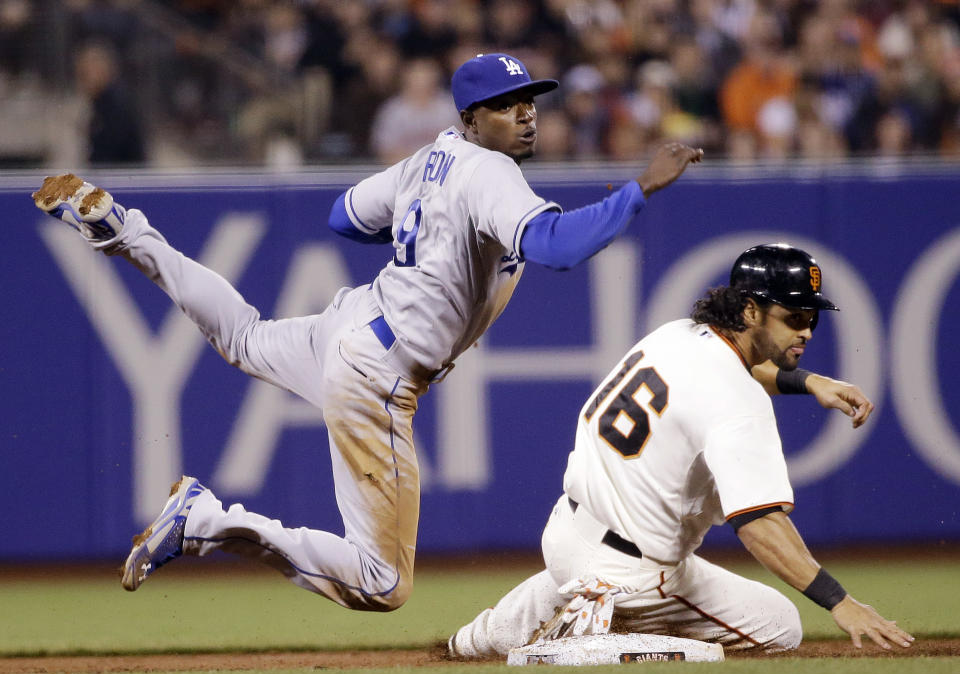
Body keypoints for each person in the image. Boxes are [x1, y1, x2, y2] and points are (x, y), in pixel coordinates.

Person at [31, 53, 702, 612]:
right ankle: (204, 522)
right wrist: (641, 188)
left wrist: (427, 219)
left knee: (241, 338)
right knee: (384, 585)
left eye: (529, 99)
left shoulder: (432, 159)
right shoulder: (488, 171)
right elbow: (554, 245)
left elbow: (343, 217)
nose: (525, 112)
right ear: (471, 119)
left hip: (353, 325)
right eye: (505, 104)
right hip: (382, 372)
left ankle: (127, 233)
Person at [448, 243, 915, 656]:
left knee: (550, 595)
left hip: (568, 533)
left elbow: (733, 375)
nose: (806, 331)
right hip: (635, 574)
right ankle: (597, 638)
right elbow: (759, 525)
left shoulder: (679, 335)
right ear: (750, 311)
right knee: (780, 626)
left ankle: (484, 635)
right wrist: (842, 603)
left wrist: (809, 381)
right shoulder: (739, 403)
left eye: (811, 319)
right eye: (793, 317)